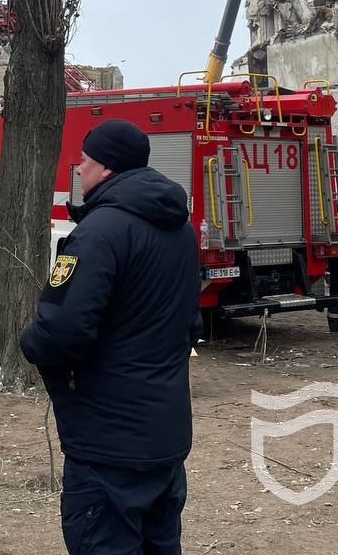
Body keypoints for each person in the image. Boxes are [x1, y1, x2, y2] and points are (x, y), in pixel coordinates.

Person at [21, 119, 200, 555]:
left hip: (108, 441)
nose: (78, 170)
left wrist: (31, 341)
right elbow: (191, 323)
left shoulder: (100, 232)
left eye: (83, 161)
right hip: (164, 434)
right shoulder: (181, 231)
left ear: (106, 168)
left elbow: (62, 329)